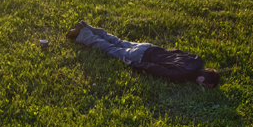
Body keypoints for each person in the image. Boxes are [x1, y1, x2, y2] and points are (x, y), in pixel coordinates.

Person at [67, 20, 220, 87]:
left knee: (116, 40)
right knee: (109, 49)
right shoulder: (184, 75)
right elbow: (156, 69)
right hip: (140, 56)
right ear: (201, 78)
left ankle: (86, 26)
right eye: (205, 85)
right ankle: (84, 34)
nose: (203, 86)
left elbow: (176, 51)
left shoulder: (197, 59)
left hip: (150, 48)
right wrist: (134, 64)